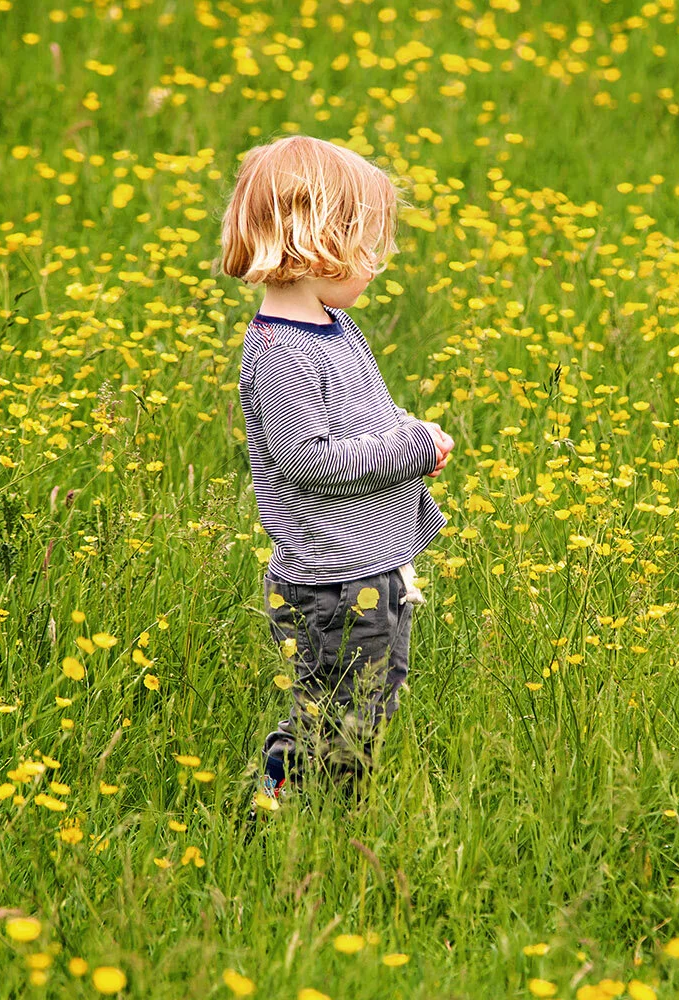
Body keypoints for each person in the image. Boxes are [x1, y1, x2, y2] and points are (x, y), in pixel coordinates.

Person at [217, 134, 454, 822]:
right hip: (332, 584)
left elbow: (365, 414)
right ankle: (283, 816)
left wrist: (413, 432)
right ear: (315, 241)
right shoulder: (283, 356)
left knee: (365, 705)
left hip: (367, 570)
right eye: (367, 244)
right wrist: (407, 449)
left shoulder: (334, 326)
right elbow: (310, 460)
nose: (379, 263)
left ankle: (309, 813)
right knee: (336, 716)